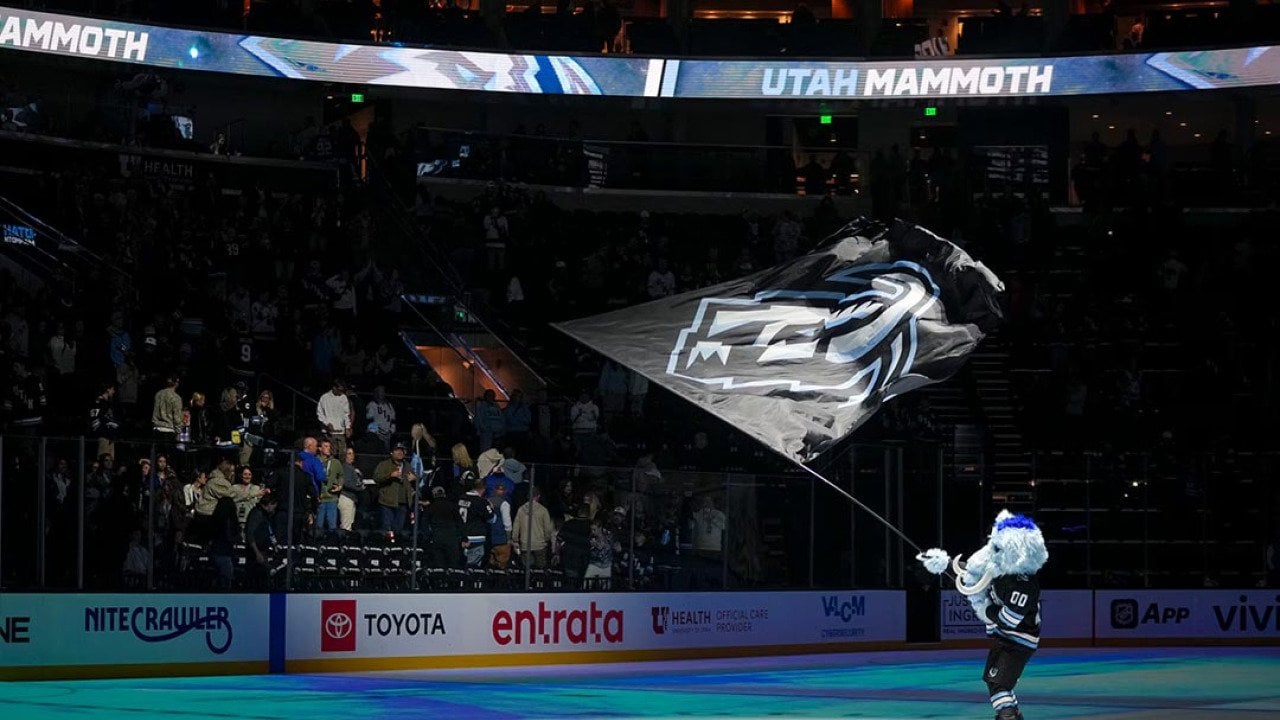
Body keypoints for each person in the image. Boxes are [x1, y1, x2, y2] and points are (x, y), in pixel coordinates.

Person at [920, 512, 1047, 720]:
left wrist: (984, 609)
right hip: (1003, 637)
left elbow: (1009, 620)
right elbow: (971, 574)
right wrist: (944, 563)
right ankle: (1011, 715)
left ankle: (1008, 716)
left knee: (999, 685)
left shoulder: (1023, 585)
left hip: (1019, 641)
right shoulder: (998, 566)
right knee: (994, 682)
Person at [373, 441, 417, 532]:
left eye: (402, 450)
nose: (400, 452)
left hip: (403, 503)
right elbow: (376, 478)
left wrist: (415, 479)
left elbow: (416, 481)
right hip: (387, 502)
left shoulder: (408, 466)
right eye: (397, 450)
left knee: (398, 531)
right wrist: (390, 475)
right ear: (391, 452)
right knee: (387, 530)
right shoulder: (384, 464)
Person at [512, 485, 556, 570]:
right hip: (540, 544)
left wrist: (515, 540)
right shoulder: (543, 510)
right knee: (540, 569)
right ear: (538, 496)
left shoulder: (521, 509)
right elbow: (547, 528)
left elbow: (516, 526)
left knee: (527, 569)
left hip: (525, 543)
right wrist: (547, 539)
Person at [244, 492, 280, 589]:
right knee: (257, 577)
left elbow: (269, 531)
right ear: (269, 504)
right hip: (256, 552)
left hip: (262, 549)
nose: (274, 510)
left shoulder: (265, 515)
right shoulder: (257, 514)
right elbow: (250, 534)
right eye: (274, 507)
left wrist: (275, 544)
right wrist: (257, 552)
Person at [457, 476, 493, 568]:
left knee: (461, 566)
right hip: (476, 537)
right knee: (473, 569)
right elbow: (491, 519)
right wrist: (491, 508)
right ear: (484, 488)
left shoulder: (460, 498)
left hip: (461, 536)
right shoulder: (481, 502)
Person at [317, 378, 353, 458]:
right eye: (340, 390)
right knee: (332, 453)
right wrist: (327, 423)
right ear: (334, 388)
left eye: (342, 390)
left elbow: (346, 414)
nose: (341, 392)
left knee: (343, 454)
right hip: (329, 431)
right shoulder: (324, 397)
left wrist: (348, 427)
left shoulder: (343, 397)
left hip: (340, 431)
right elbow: (320, 413)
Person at [315, 439, 343, 535]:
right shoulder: (314, 462)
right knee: (318, 526)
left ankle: (332, 542)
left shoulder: (335, 462)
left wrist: (340, 485)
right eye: (326, 446)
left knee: (332, 527)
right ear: (320, 448)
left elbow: (341, 475)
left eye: (329, 447)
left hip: (332, 497)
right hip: (319, 499)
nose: (328, 449)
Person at [88, 382, 120, 460]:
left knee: (111, 461)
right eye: (112, 389)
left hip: (110, 437)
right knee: (103, 460)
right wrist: (105, 428)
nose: (114, 392)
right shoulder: (99, 401)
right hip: (103, 437)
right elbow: (94, 418)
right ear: (107, 389)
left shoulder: (109, 403)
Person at [487, 482, 513, 570]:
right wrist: (509, 538)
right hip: (501, 539)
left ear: (494, 490)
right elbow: (507, 522)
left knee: (490, 565)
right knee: (502, 565)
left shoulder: (487, 501)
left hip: (489, 537)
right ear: (505, 491)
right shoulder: (504, 503)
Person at [151, 375, 183, 445]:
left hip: (157, 428)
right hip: (169, 430)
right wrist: (178, 432)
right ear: (176, 383)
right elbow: (177, 417)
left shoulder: (158, 394)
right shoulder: (176, 397)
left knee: (158, 451)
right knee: (168, 451)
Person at [338, 447, 363, 533]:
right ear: (344, 455)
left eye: (353, 453)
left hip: (351, 498)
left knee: (349, 525)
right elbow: (346, 483)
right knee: (346, 526)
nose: (352, 456)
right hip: (346, 498)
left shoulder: (351, 467)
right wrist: (359, 488)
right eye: (349, 453)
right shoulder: (345, 467)